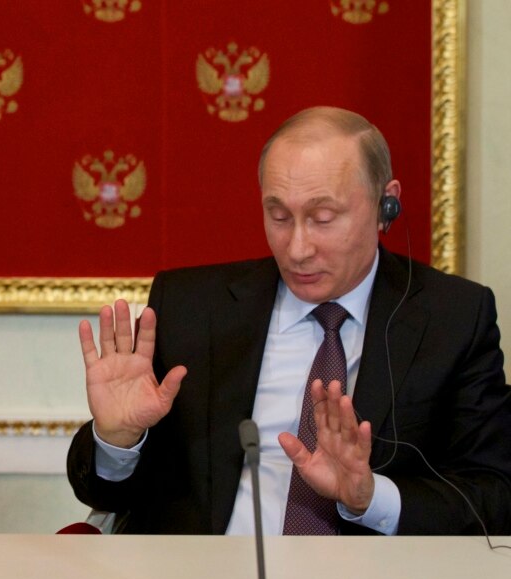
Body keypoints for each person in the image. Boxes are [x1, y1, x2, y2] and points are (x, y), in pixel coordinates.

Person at [68, 106, 511, 535]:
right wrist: (118, 441)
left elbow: (494, 496)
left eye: (323, 218)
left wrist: (370, 498)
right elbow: (109, 496)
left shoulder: (453, 319)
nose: (297, 248)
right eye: (279, 216)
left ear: (385, 205)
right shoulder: (192, 307)